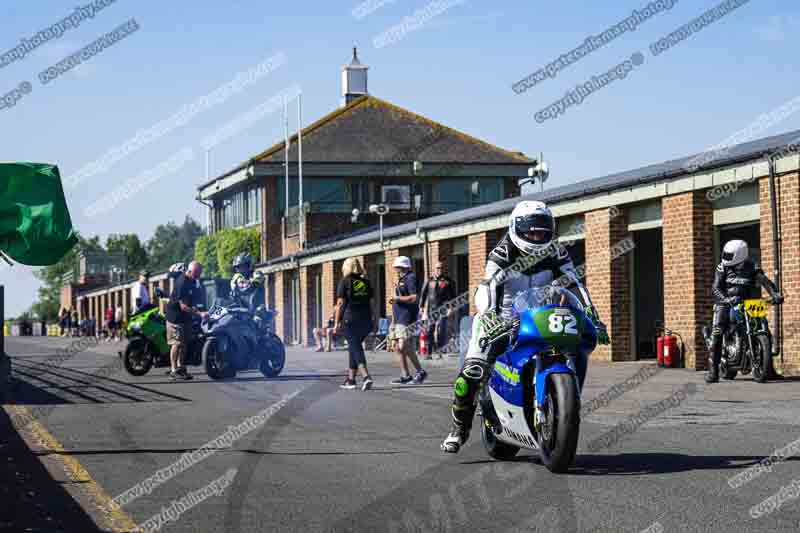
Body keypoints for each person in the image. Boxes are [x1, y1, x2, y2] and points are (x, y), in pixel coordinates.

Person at [441, 200, 609, 453]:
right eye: (531, 230)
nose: (537, 235)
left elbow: (574, 282)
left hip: (541, 316)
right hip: (501, 318)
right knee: (472, 373)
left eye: (543, 230)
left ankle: (563, 401)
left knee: (580, 343)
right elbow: (491, 285)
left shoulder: (556, 251)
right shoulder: (503, 252)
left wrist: (591, 313)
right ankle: (459, 428)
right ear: (516, 228)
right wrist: (491, 315)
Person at [705, 239, 784, 383]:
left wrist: (775, 294)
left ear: (741, 255)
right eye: (726, 254)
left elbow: (765, 281)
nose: (726, 258)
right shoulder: (722, 267)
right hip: (726, 302)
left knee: (764, 330)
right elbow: (716, 288)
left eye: (730, 255)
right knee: (718, 332)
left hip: (749, 302)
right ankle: (713, 371)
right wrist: (726, 299)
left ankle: (769, 369)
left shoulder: (752, 266)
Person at [335, 258, 375, 391]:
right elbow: (372, 303)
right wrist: (373, 320)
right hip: (366, 320)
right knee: (354, 346)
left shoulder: (345, 281)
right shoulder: (366, 282)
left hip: (350, 320)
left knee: (355, 347)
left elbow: (340, 304)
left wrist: (336, 323)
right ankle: (351, 379)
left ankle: (366, 376)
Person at [165, 261, 207, 380]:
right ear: (189, 271)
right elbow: (183, 306)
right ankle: (173, 370)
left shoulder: (193, 281)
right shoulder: (182, 281)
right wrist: (199, 314)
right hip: (175, 317)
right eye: (196, 273)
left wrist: (203, 310)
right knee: (177, 343)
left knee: (184, 344)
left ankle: (181, 368)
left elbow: (194, 299)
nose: (198, 275)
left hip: (185, 317)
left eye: (199, 273)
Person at [389, 256, 427, 385]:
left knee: (403, 345)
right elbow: (396, 301)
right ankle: (406, 375)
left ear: (403, 266)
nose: (395, 269)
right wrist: (392, 322)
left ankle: (420, 371)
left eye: (397, 266)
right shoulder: (401, 279)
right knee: (398, 347)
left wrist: (398, 298)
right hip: (398, 317)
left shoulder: (411, 278)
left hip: (407, 316)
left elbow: (414, 297)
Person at [420, 260, 457, 359]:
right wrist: (422, 307)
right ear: (434, 269)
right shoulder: (429, 280)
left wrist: (451, 308)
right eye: (437, 268)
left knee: (441, 331)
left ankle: (440, 351)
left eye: (441, 268)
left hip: (443, 309)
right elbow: (423, 295)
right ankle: (429, 353)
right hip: (431, 309)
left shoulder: (448, 281)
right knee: (429, 331)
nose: (439, 270)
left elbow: (453, 296)